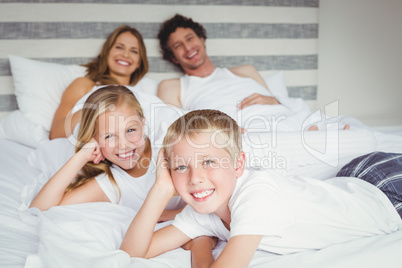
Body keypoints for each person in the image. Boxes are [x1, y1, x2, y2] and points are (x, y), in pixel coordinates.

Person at [120, 109, 401, 267]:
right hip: (350, 179)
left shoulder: (256, 195)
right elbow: (132, 253)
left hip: (386, 193)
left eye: (209, 161)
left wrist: (200, 245)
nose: (195, 178)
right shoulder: (202, 207)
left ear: (238, 165)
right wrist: (160, 188)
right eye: (181, 166)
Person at [156, 14, 349, 133]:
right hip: (239, 131)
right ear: (173, 57)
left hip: (281, 119)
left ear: (202, 39)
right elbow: (174, 126)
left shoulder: (245, 71)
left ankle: (310, 135)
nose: (188, 47)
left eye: (190, 38)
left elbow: (280, 101)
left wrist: (275, 101)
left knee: (331, 127)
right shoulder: (173, 86)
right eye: (178, 46)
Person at [30, 86, 185, 220]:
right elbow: (39, 209)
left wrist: (171, 215)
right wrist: (81, 156)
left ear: (143, 125)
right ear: (95, 140)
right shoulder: (111, 183)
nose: (123, 145)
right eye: (109, 136)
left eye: (130, 130)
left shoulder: (169, 147)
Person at [50, 25, 149, 139]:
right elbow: (54, 134)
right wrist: (93, 109)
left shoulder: (144, 96)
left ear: (139, 62)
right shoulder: (84, 85)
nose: (126, 55)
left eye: (134, 51)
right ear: (106, 52)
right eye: (119, 47)